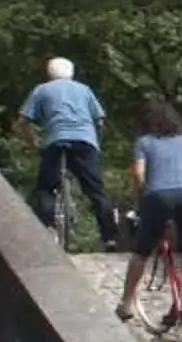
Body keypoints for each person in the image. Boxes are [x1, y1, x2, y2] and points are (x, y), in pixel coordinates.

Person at [115, 99, 182, 324]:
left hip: (157, 196)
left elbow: (138, 174)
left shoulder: (144, 142)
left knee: (141, 251)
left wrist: (141, 199)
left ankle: (126, 304)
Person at [14, 56, 114, 247]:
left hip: (55, 141)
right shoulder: (84, 89)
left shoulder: (41, 90)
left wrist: (33, 143)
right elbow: (100, 120)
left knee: (44, 188)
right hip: (84, 142)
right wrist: (96, 142)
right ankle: (110, 237)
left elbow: (22, 123)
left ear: (48, 73)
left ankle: (49, 227)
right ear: (72, 73)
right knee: (97, 191)